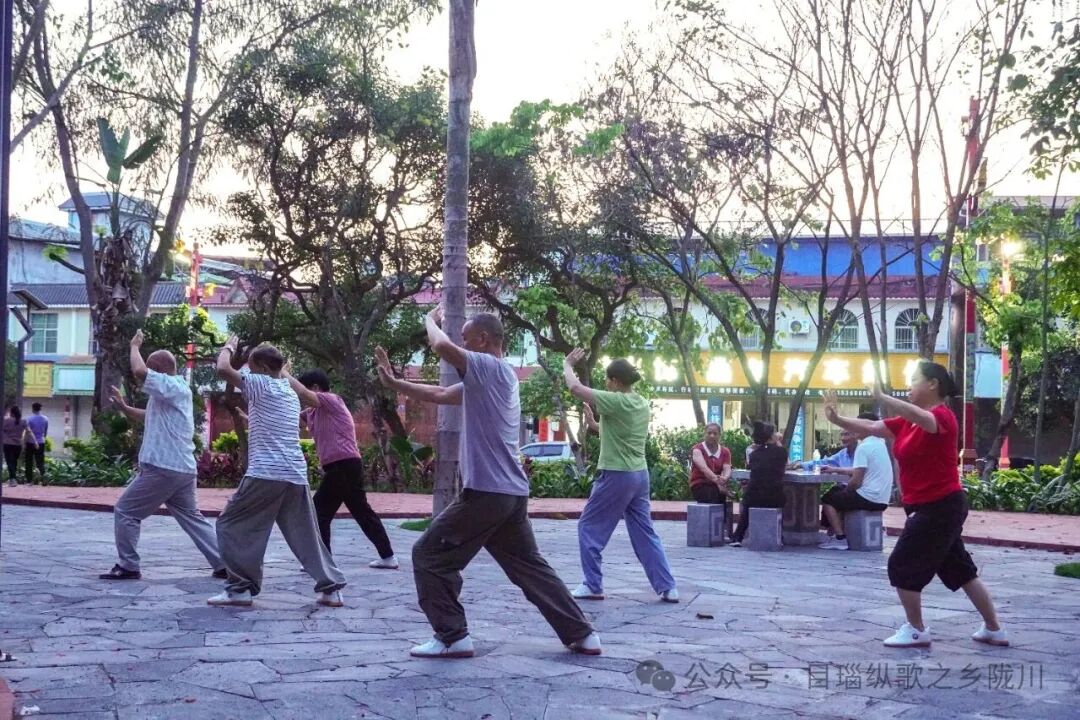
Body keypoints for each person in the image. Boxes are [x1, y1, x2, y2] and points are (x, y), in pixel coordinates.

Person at [374, 308, 600, 659]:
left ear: (483, 340)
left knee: (429, 555)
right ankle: (582, 634)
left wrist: (430, 320)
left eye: (466, 339)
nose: (463, 344)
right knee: (530, 568)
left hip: (487, 493)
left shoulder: (488, 366)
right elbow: (439, 394)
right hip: (510, 494)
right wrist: (394, 384)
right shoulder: (495, 376)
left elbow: (441, 347)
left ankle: (452, 636)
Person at [822, 361, 1009, 648]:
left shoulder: (943, 417)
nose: (908, 387)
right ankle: (994, 629)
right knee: (961, 569)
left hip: (940, 506)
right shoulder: (906, 422)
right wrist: (837, 419)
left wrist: (882, 396)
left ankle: (916, 629)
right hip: (932, 507)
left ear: (933, 384)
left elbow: (923, 418)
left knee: (902, 564)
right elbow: (872, 426)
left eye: (913, 381)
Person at [210, 337, 347, 608]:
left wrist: (228, 347)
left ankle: (240, 589)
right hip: (294, 473)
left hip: (266, 472)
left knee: (230, 524)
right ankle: (331, 588)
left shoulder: (261, 384)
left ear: (262, 368)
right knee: (305, 534)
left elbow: (223, 369)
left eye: (251, 368)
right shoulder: (288, 391)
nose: (248, 373)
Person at [99, 330, 225, 581]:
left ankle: (128, 566)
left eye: (151, 368)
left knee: (126, 511)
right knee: (192, 518)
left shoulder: (172, 385)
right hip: (182, 469)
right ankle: (225, 563)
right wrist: (124, 407)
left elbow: (139, 371)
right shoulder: (171, 393)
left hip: (163, 468)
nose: (147, 374)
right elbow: (149, 416)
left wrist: (134, 346)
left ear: (158, 369)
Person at [564, 349, 679, 604]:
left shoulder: (616, 401)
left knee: (588, 527)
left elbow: (575, 388)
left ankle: (592, 585)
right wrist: (593, 423)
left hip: (617, 474)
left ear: (616, 381)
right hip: (639, 475)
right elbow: (616, 432)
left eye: (607, 380)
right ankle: (668, 587)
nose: (606, 384)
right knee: (645, 533)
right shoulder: (641, 403)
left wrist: (567, 365)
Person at [288, 368, 397, 569]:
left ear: (315, 388)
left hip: (343, 465)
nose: (301, 398)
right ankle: (388, 557)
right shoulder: (312, 412)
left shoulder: (331, 400)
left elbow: (303, 393)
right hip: (345, 466)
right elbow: (288, 421)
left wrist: (281, 371)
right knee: (362, 512)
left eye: (304, 391)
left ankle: (323, 562)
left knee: (318, 512)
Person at [818, 412, 893, 550]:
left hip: (868, 498)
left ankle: (840, 538)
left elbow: (856, 481)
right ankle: (835, 533)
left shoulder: (863, 447)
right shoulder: (879, 444)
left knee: (828, 498)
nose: (854, 427)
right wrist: (835, 469)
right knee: (837, 492)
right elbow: (860, 470)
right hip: (882, 499)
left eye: (857, 424)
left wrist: (847, 490)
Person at [730, 421, 787, 547]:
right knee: (781, 498)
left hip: (754, 496)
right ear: (771, 436)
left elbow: (752, 467)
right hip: (775, 496)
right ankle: (779, 537)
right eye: (774, 432)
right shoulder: (781, 452)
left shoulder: (754, 454)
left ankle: (737, 537)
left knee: (747, 506)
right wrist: (778, 444)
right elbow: (785, 464)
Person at [688, 422, 732, 504]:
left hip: (718, 485)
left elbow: (727, 468)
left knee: (722, 497)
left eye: (715, 433)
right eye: (709, 433)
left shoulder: (725, 451)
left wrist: (725, 478)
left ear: (720, 435)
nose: (712, 436)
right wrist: (717, 480)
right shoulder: (697, 449)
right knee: (715, 495)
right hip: (700, 485)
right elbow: (704, 468)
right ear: (704, 434)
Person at [3, 406, 35, 487]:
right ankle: (12, 478)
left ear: (11, 412)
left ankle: (13, 479)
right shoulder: (23, 421)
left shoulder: (6, 420)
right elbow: (29, 431)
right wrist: (35, 442)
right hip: (18, 445)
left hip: (7, 444)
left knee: (9, 462)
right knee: (14, 461)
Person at [25, 403, 49, 484]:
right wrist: (43, 438)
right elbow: (45, 431)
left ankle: (29, 480)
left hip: (30, 442)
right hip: (41, 442)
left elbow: (28, 432)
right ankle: (43, 477)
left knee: (29, 462)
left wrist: (24, 442)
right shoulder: (45, 419)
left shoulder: (29, 419)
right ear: (40, 409)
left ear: (32, 409)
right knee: (40, 461)